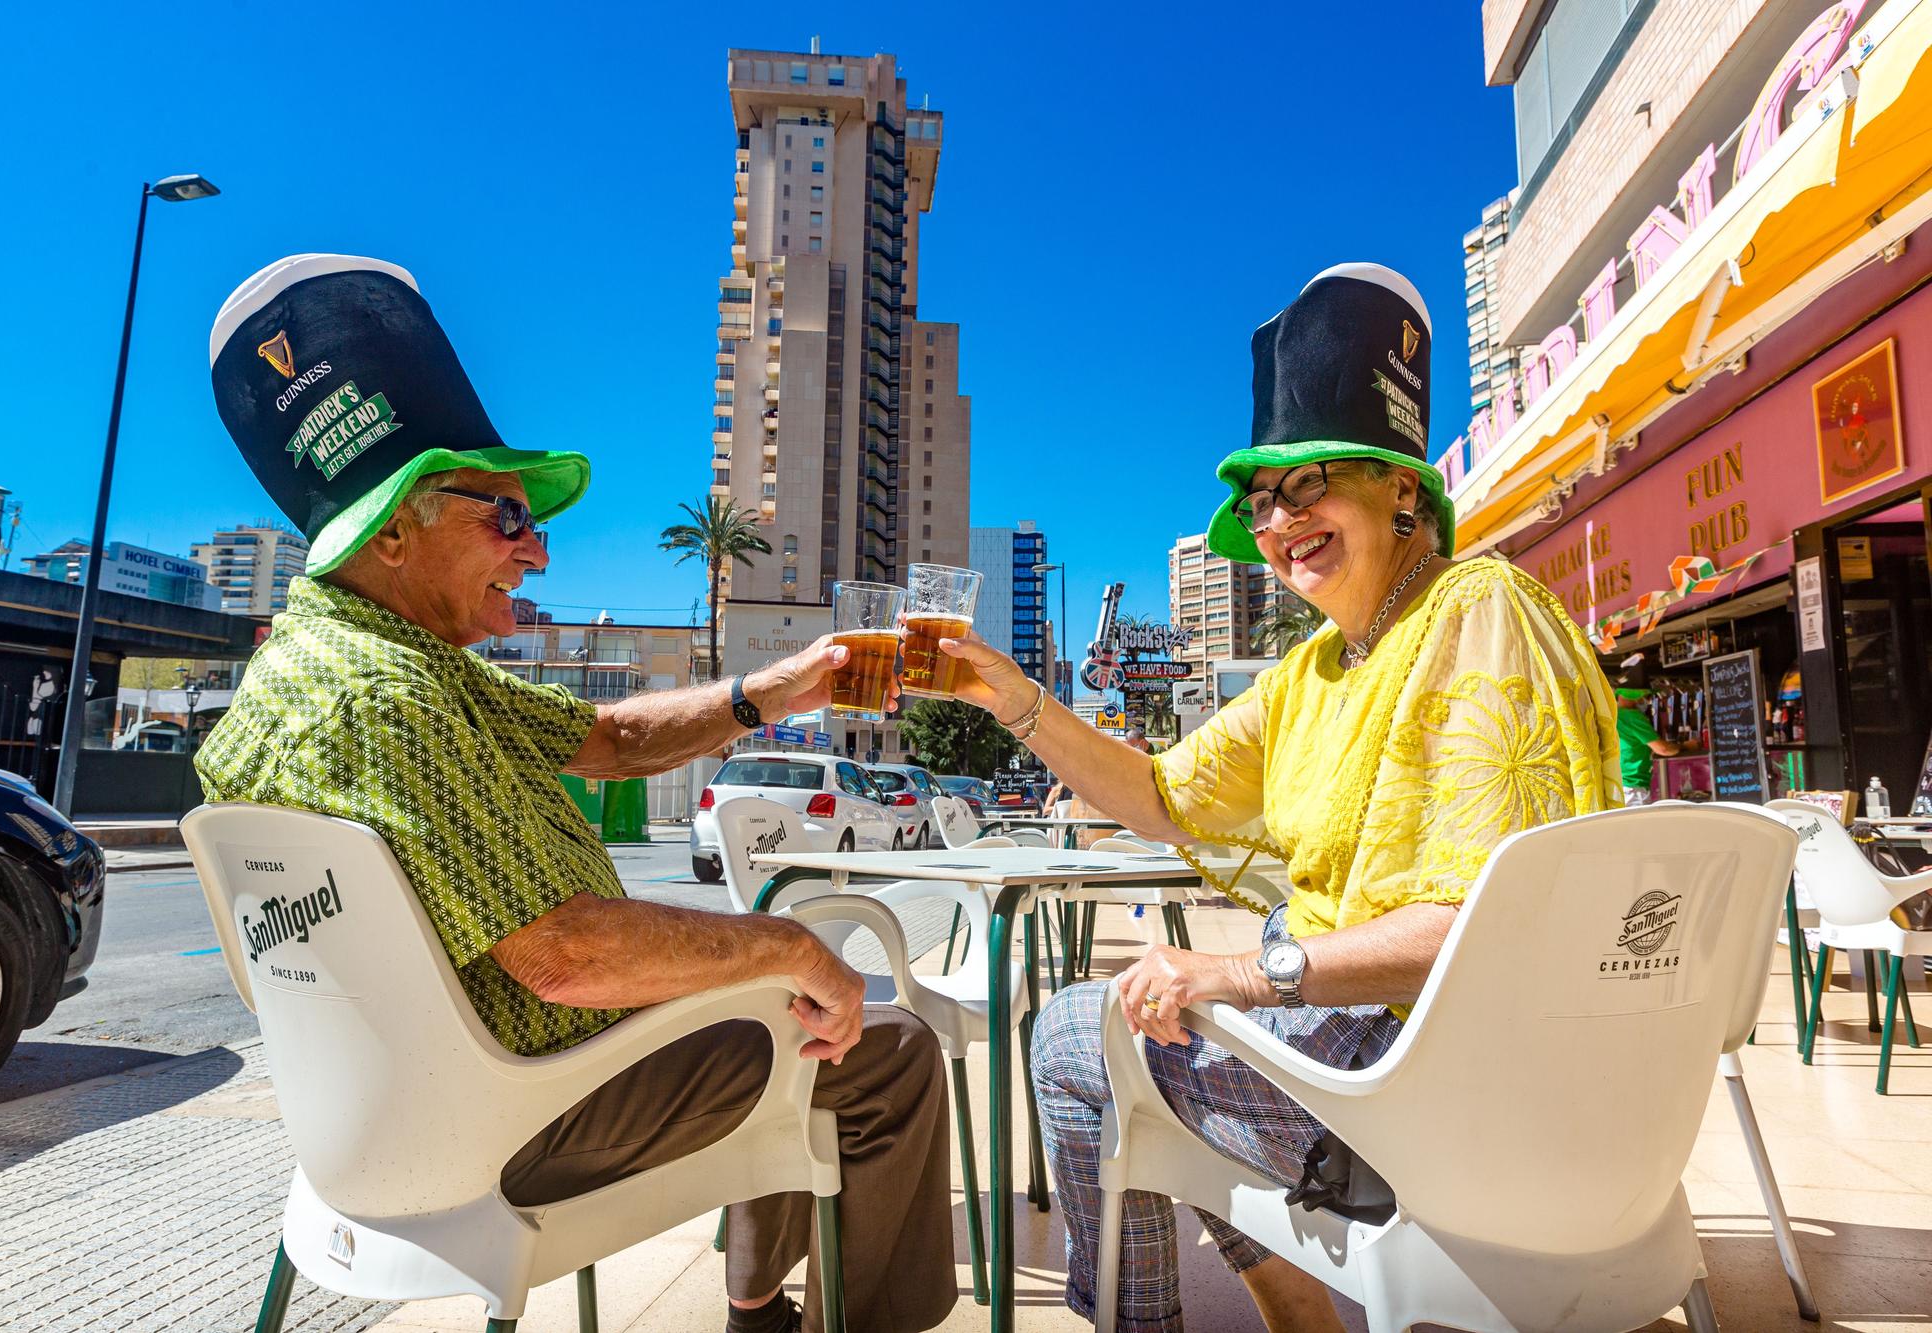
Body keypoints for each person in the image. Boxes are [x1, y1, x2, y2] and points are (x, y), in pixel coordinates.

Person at [194, 256, 955, 1333]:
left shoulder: (354, 660)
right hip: (509, 1114)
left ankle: (755, 1308)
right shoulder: (381, 695)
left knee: (763, 1003)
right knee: (878, 1049)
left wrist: (783, 686)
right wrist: (788, 947)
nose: (538, 549)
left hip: (363, 1131)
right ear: (396, 525)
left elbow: (604, 735)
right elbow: (566, 957)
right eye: (506, 515)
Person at [940, 264, 1619, 1331]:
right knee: (1159, 1027)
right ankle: (1295, 1309)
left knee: (1082, 1041)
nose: (1276, 520)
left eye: (1306, 484)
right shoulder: (1312, 671)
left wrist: (1241, 972)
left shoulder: (1477, 606)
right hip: (1371, 1069)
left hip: (1433, 1099)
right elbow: (1160, 792)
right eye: (1261, 500)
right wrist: (1015, 699)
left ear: (1401, 486)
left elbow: (1489, 923)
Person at [1615, 686, 1680, 805]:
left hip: (1618, 785)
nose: (1644, 700)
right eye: (1643, 697)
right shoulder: (1633, 717)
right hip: (1633, 787)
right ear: (1634, 697)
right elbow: (1663, 749)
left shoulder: (1614, 715)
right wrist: (1685, 746)